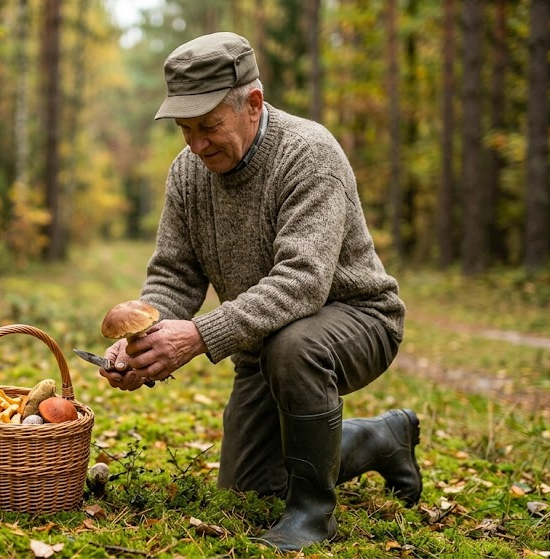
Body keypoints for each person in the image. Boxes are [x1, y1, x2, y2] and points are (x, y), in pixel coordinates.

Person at [97, 32, 422, 551]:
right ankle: (380, 438)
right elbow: (175, 274)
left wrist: (199, 335)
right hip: (260, 348)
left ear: (253, 103)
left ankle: (313, 515)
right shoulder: (187, 174)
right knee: (250, 487)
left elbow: (302, 282)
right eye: (185, 129)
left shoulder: (309, 153)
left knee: (294, 345)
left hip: (357, 320)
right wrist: (145, 334)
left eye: (209, 127)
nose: (197, 145)